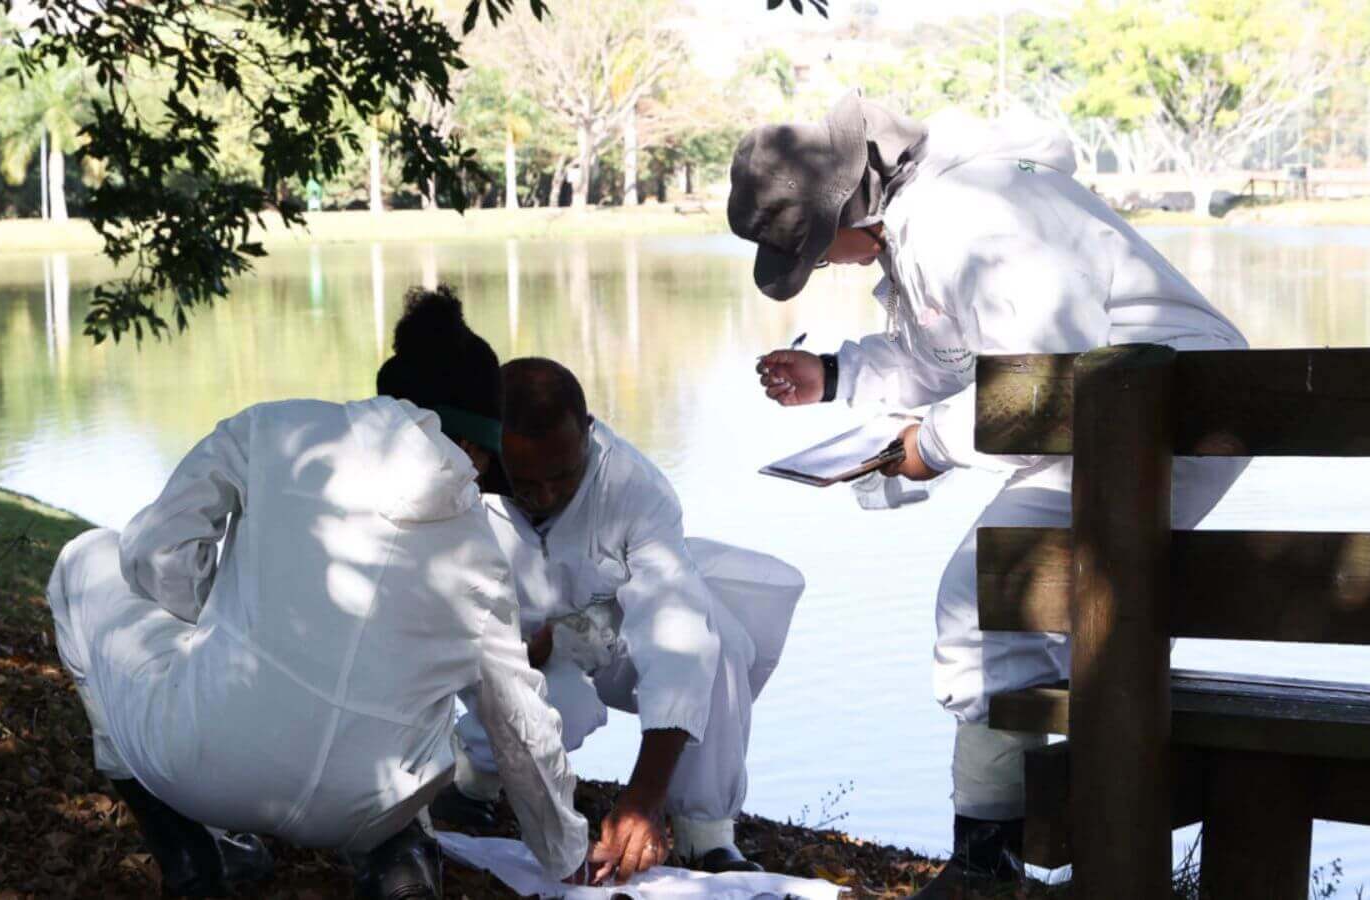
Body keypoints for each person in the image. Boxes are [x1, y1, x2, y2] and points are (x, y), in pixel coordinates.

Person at [728, 93, 1249, 893]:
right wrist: (833, 375)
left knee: (985, 600)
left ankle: (1002, 864)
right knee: (1003, 611)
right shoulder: (929, 216)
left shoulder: (960, 216)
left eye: (815, 249)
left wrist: (929, 446)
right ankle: (1027, 854)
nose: (823, 265)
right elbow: (955, 362)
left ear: (849, 206)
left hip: (1159, 419)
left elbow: (1046, 374)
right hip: (1129, 414)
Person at [45, 287, 590, 898]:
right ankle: (400, 853)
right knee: (421, 710)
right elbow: (518, 719)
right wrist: (565, 851)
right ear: (472, 445)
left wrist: (203, 630)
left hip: (202, 766)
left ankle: (195, 851)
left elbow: (153, 550)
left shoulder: (273, 430)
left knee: (84, 559)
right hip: (363, 805)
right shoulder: (479, 555)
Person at [432, 357, 805, 882]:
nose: (544, 496)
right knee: (567, 707)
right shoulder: (458, 478)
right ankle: (470, 782)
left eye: (561, 476)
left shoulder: (635, 486)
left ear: (586, 432)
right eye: (525, 481)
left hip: (606, 632)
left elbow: (676, 626)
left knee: (717, 637)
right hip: (505, 649)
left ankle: (705, 833)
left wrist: (642, 797)